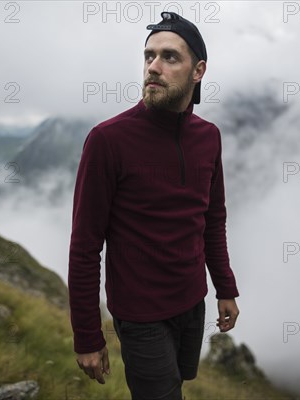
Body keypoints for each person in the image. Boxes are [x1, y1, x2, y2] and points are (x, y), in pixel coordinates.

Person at [68, 11, 240, 399]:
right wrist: (87, 335)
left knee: (179, 382)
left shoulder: (208, 137)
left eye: (169, 57)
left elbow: (212, 219)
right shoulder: (108, 139)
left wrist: (224, 287)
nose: (153, 67)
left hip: (192, 301)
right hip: (139, 314)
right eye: (148, 56)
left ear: (198, 71)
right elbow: (84, 246)